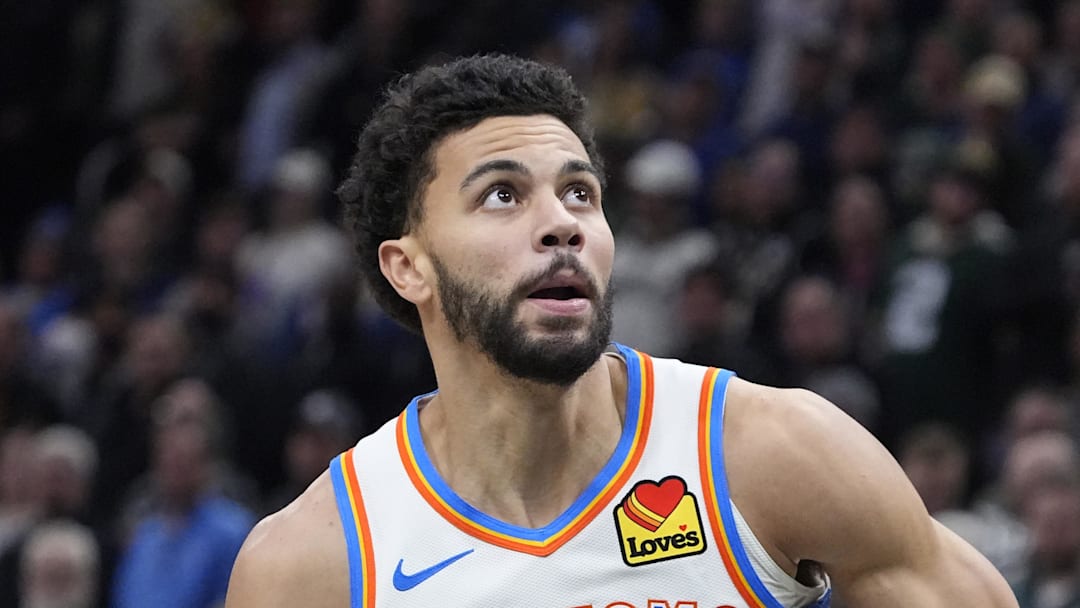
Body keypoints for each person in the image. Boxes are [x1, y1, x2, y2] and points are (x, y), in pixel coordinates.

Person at [225, 54, 1017, 608]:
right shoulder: (316, 562)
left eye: (579, 193)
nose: (561, 225)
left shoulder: (765, 454)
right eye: (502, 195)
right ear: (409, 268)